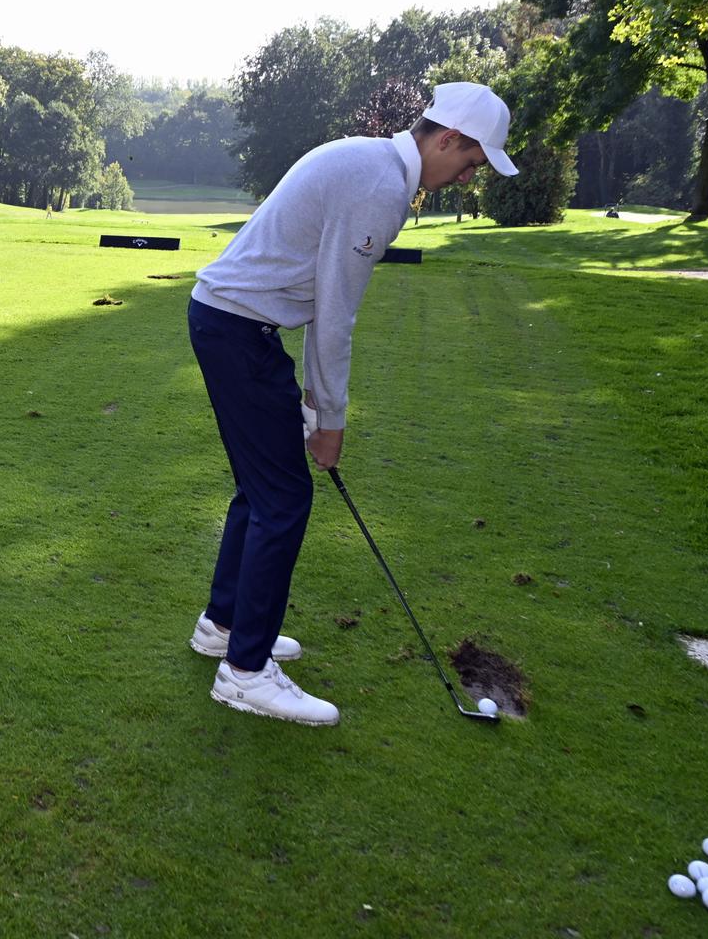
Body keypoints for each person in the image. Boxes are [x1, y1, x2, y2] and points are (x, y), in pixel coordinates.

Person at [184, 81, 517, 726]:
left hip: (232, 324)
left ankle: (223, 627)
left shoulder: (371, 160)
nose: (469, 176)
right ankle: (245, 672)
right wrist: (329, 419)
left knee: (261, 493)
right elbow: (334, 316)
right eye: (472, 161)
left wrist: (311, 401)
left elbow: (318, 302)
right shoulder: (381, 185)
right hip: (236, 328)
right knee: (284, 501)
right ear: (447, 138)